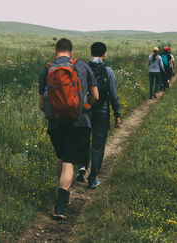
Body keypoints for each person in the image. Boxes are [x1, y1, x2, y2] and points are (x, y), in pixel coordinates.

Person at [39, 38, 99, 219]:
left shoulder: (47, 69)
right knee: (68, 162)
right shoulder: (82, 66)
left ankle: (62, 195)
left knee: (61, 156)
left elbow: (42, 103)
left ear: (56, 51)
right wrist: (84, 106)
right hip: (79, 122)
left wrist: (54, 111)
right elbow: (95, 95)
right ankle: (60, 205)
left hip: (56, 122)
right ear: (71, 52)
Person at [76, 42, 121, 188]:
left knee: (83, 140)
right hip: (101, 110)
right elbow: (113, 95)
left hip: (85, 110)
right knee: (98, 145)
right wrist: (117, 114)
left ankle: (82, 167)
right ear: (104, 54)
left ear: (90, 53)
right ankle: (93, 177)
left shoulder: (83, 68)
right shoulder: (108, 71)